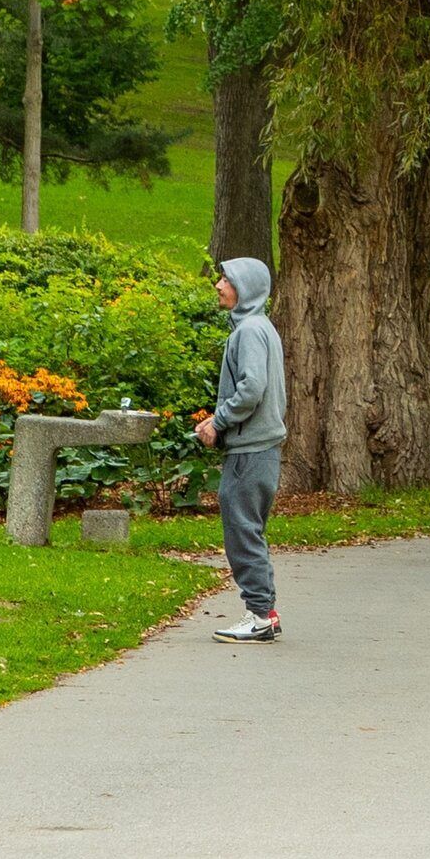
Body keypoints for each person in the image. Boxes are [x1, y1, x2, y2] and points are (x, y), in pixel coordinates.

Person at [199, 256, 284, 642]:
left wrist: (218, 422)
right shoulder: (261, 327)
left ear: (245, 287)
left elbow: (251, 389)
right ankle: (265, 612)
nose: (218, 284)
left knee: (241, 530)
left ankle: (259, 615)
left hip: (250, 449)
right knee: (250, 529)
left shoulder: (249, 331)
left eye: (226, 279)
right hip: (260, 446)